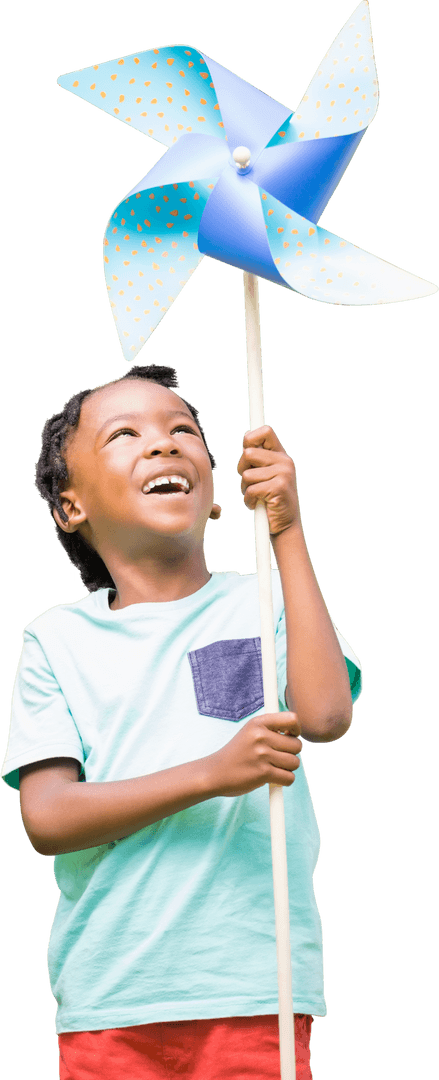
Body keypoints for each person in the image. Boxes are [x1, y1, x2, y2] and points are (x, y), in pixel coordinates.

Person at [1, 362, 362, 1080]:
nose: (163, 444)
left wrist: (285, 530)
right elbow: (47, 818)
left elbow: (324, 716)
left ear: (218, 493)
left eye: (182, 430)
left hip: (254, 988)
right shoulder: (55, 642)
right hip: (112, 995)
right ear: (69, 506)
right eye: (124, 434)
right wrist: (210, 773)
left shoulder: (263, 603)